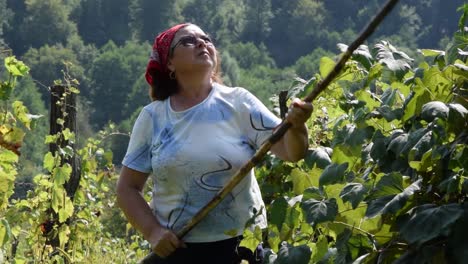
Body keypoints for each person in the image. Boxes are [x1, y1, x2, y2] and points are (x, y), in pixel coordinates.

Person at [116, 23, 313, 264]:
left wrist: (297, 125)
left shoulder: (238, 102)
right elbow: (127, 188)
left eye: (206, 38)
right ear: (169, 64)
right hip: (180, 250)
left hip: (242, 247)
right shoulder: (154, 117)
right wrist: (153, 232)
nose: (202, 43)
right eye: (188, 41)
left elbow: (292, 152)